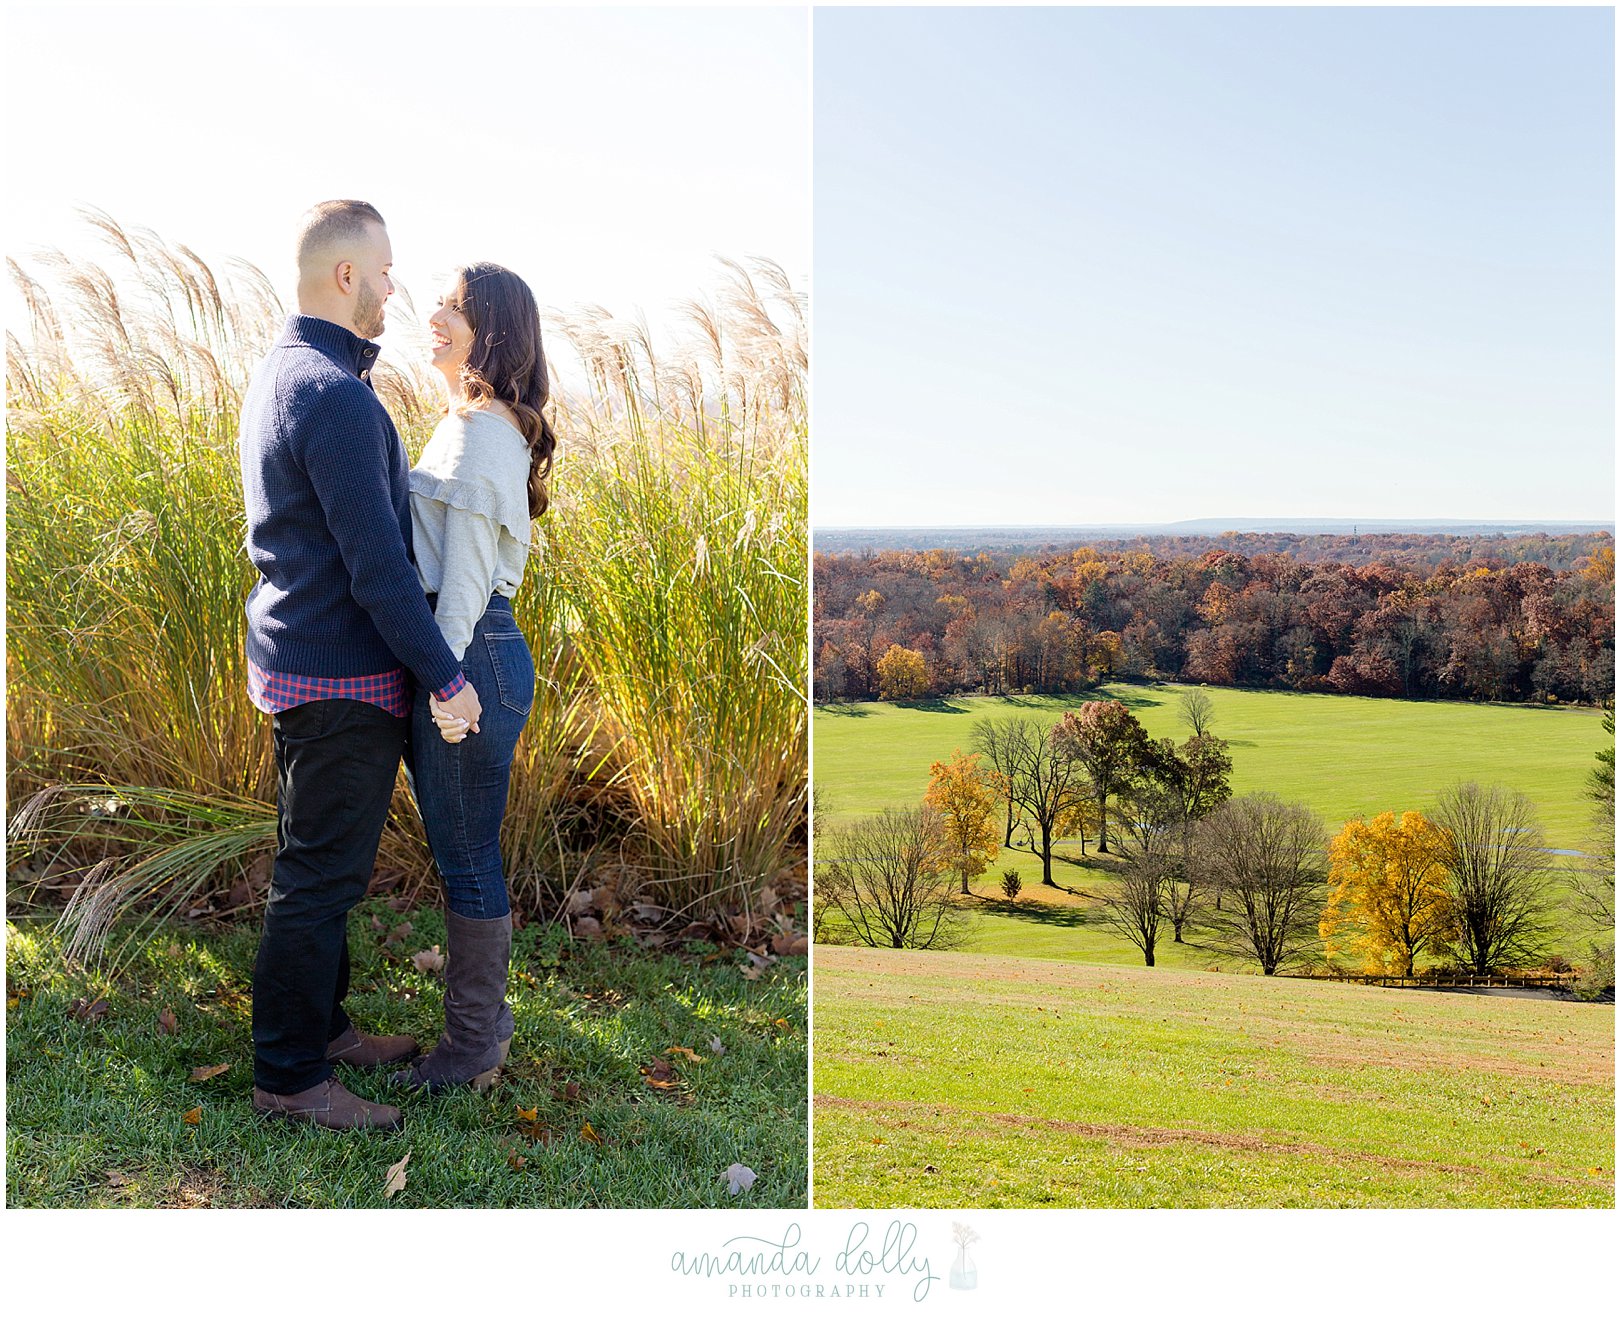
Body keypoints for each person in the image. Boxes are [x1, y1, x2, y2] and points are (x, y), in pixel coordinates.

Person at [240, 200, 484, 1131]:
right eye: (383, 271)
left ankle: (326, 1029)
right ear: (346, 276)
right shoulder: (336, 398)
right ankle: (293, 1079)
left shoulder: (283, 375)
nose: (392, 288)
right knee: (318, 880)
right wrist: (446, 676)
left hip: (301, 665)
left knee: (319, 867)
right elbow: (377, 570)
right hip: (340, 679)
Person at [393, 262, 556, 1093]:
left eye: (452, 308)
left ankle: (469, 1050)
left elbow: (458, 581)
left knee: (465, 855)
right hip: (483, 650)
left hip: (470, 651)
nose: (433, 316)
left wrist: (442, 679)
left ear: (489, 329)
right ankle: (484, 1032)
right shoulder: (480, 424)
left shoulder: (479, 429)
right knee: (466, 849)